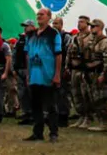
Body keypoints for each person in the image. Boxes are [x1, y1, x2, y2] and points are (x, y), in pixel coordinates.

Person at [23, 8, 63, 143]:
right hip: (34, 75)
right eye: (38, 14)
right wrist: (27, 73)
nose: (39, 16)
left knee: (51, 106)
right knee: (35, 105)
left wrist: (57, 74)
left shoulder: (53, 33)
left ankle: (53, 133)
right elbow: (27, 54)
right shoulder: (31, 34)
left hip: (48, 74)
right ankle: (37, 132)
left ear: (49, 17)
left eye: (42, 14)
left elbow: (58, 55)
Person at [83, 19, 107, 132]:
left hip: (99, 72)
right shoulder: (92, 41)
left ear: (100, 27)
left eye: (94, 26)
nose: (91, 28)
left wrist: (103, 74)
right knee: (93, 98)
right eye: (91, 26)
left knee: (100, 99)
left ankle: (104, 123)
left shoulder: (104, 41)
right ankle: (99, 121)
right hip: (91, 72)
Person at [66, 16, 90, 128]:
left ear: (87, 23)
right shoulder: (74, 37)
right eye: (78, 21)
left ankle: (88, 117)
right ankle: (81, 115)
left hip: (84, 69)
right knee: (76, 94)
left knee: (85, 94)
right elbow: (69, 52)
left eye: (81, 22)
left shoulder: (91, 37)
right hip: (74, 69)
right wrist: (67, 66)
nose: (79, 24)